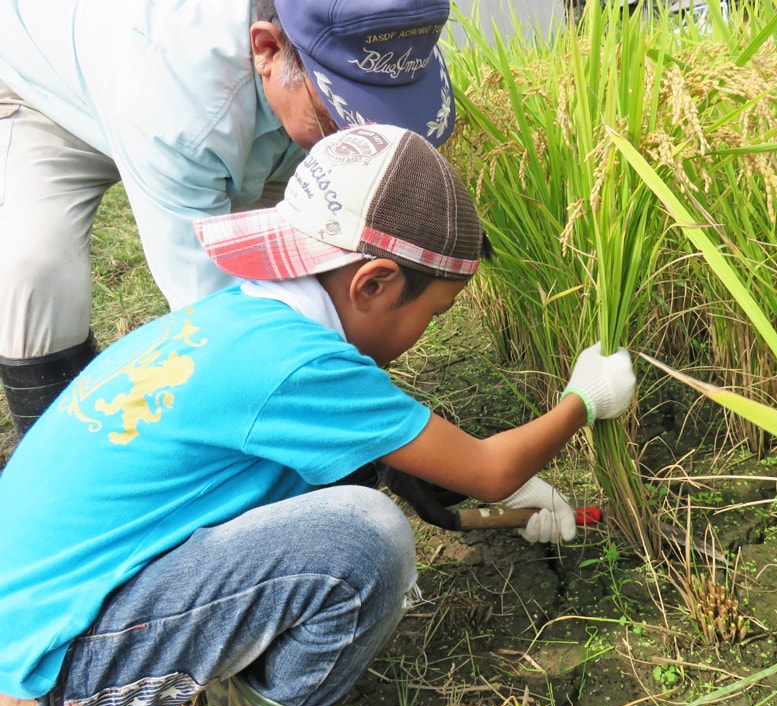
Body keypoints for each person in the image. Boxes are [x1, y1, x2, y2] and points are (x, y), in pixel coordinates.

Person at [0, 124, 636, 706]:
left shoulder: (241, 318)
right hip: (58, 668)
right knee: (362, 539)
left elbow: (393, 455)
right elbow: (491, 471)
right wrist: (585, 400)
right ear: (374, 283)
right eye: (433, 314)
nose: (429, 331)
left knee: (343, 491)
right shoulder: (300, 365)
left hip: (36, 621)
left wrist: (443, 480)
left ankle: (237, 681)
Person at [0, 0, 456, 438]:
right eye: (340, 114)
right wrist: (373, 436)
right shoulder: (174, 98)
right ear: (268, 49)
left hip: (228, 106)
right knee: (35, 269)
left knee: (312, 272)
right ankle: (67, 458)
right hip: (42, 94)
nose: (358, 138)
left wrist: (371, 416)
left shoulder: (366, 38)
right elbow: (219, 315)